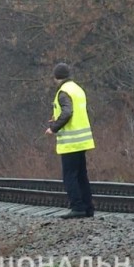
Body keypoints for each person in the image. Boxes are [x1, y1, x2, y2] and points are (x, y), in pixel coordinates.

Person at [44, 63, 96, 219]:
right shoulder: (77, 89)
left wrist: (53, 128)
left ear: (56, 77)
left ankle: (77, 207)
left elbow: (67, 112)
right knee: (82, 176)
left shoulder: (63, 92)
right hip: (82, 140)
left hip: (71, 142)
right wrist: (57, 119)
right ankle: (88, 208)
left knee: (70, 176)